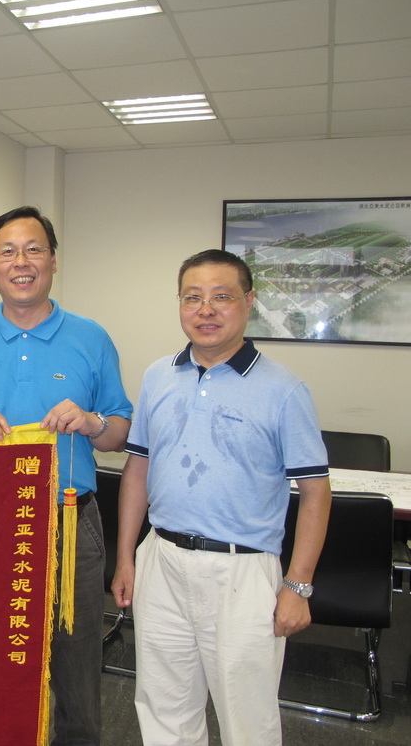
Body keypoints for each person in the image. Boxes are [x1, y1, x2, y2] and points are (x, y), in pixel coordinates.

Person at [111, 249, 332, 746]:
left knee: (247, 720)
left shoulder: (283, 389)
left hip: (242, 572)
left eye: (221, 297)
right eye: (192, 298)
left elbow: (316, 492)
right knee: (163, 708)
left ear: (248, 302)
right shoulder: (158, 376)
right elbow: (138, 469)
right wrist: (127, 557)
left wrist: (298, 586)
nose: (205, 310)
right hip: (162, 561)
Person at [0, 206, 133, 746]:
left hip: (69, 524)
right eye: (7, 252)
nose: (21, 262)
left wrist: (91, 422)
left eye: (33, 249)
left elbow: (120, 433)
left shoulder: (91, 338)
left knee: (76, 668)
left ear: (53, 260)